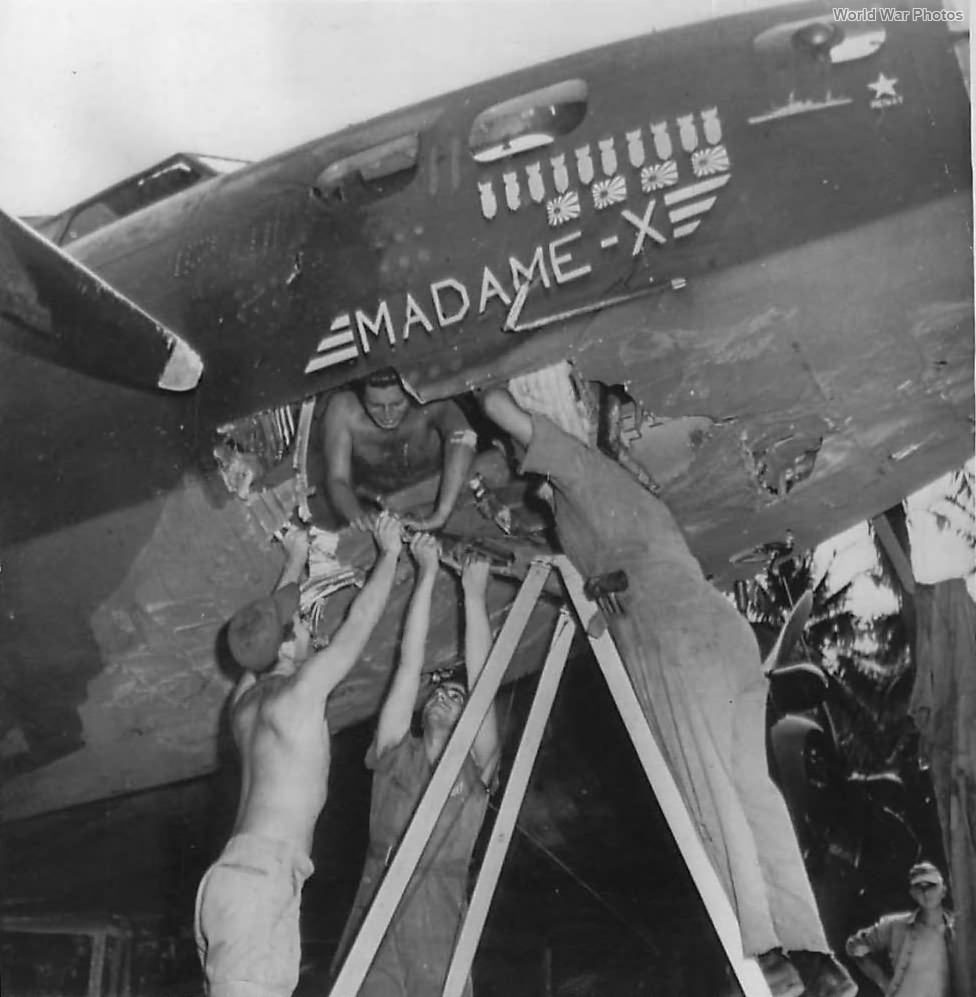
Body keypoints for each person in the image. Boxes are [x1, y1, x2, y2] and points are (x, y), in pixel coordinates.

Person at [481, 383, 857, 997]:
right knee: (753, 793)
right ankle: (813, 951)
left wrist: (467, 390)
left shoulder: (585, 476)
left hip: (683, 646)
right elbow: (608, 589)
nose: (526, 476)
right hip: (716, 635)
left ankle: (763, 950)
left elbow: (509, 418)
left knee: (710, 791)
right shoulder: (591, 513)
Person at [194, 514, 403, 997]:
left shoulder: (244, 702)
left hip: (238, 884)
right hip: (255, 884)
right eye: (304, 626)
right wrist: (389, 552)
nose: (311, 628)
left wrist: (293, 559)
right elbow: (360, 624)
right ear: (287, 645)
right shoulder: (299, 694)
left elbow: (263, 639)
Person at [332, 534, 499, 997]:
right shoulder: (394, 754)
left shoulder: (476, 769)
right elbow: (408, 666)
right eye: (440, 693)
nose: (445, 695)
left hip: (439, 917)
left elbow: (484, 679)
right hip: (376, 900)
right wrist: (425, 574)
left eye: (457, 697)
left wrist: (474, 594)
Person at [322, 368, 478, 532]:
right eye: (376, 406)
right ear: (361, 397)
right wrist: (358, 518)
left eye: (397, 404)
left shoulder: (430, 395)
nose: (388, 414)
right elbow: (338, 479)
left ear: (411, 394)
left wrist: (440, 515)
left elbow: (463, 436)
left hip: (439, 492)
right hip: (381, 507)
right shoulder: (343, 409)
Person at [846, 860, 956, 997]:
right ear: (912, 893)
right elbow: (854, 946)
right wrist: (884, 982)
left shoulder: (959, 930)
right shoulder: (896, 926)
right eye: (919, 887)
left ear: (943, 891)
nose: (925, 892)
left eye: (931, 886)